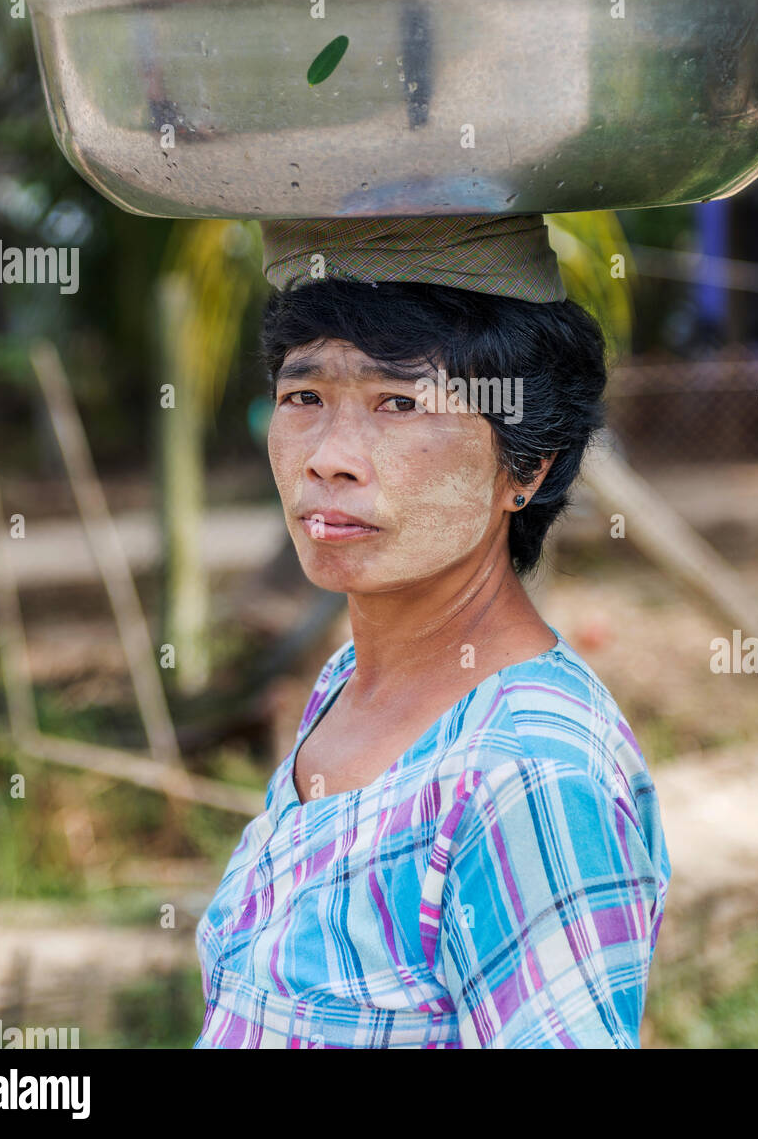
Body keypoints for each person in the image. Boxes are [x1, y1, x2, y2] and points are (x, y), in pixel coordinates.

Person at [194, 214, 670, 1049]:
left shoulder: (525, 773)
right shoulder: (350, 682)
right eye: (304, 397)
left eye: (399, 403)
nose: (329, 457)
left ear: (530, 464)